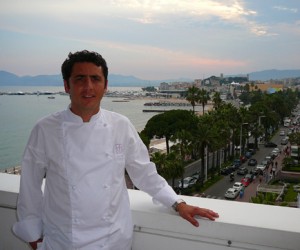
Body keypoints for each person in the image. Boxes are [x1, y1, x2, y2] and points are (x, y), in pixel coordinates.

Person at [13, 50, 219, 250]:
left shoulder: (121, 125)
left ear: (106, 86)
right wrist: (32, 231)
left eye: (95, 79)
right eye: (79, 79)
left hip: (114, 240)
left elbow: (145, 173)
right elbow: (30, 183)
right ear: (67, 85)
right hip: (65, 241)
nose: (88, 87)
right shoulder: (45, 129)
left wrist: (177, 203)